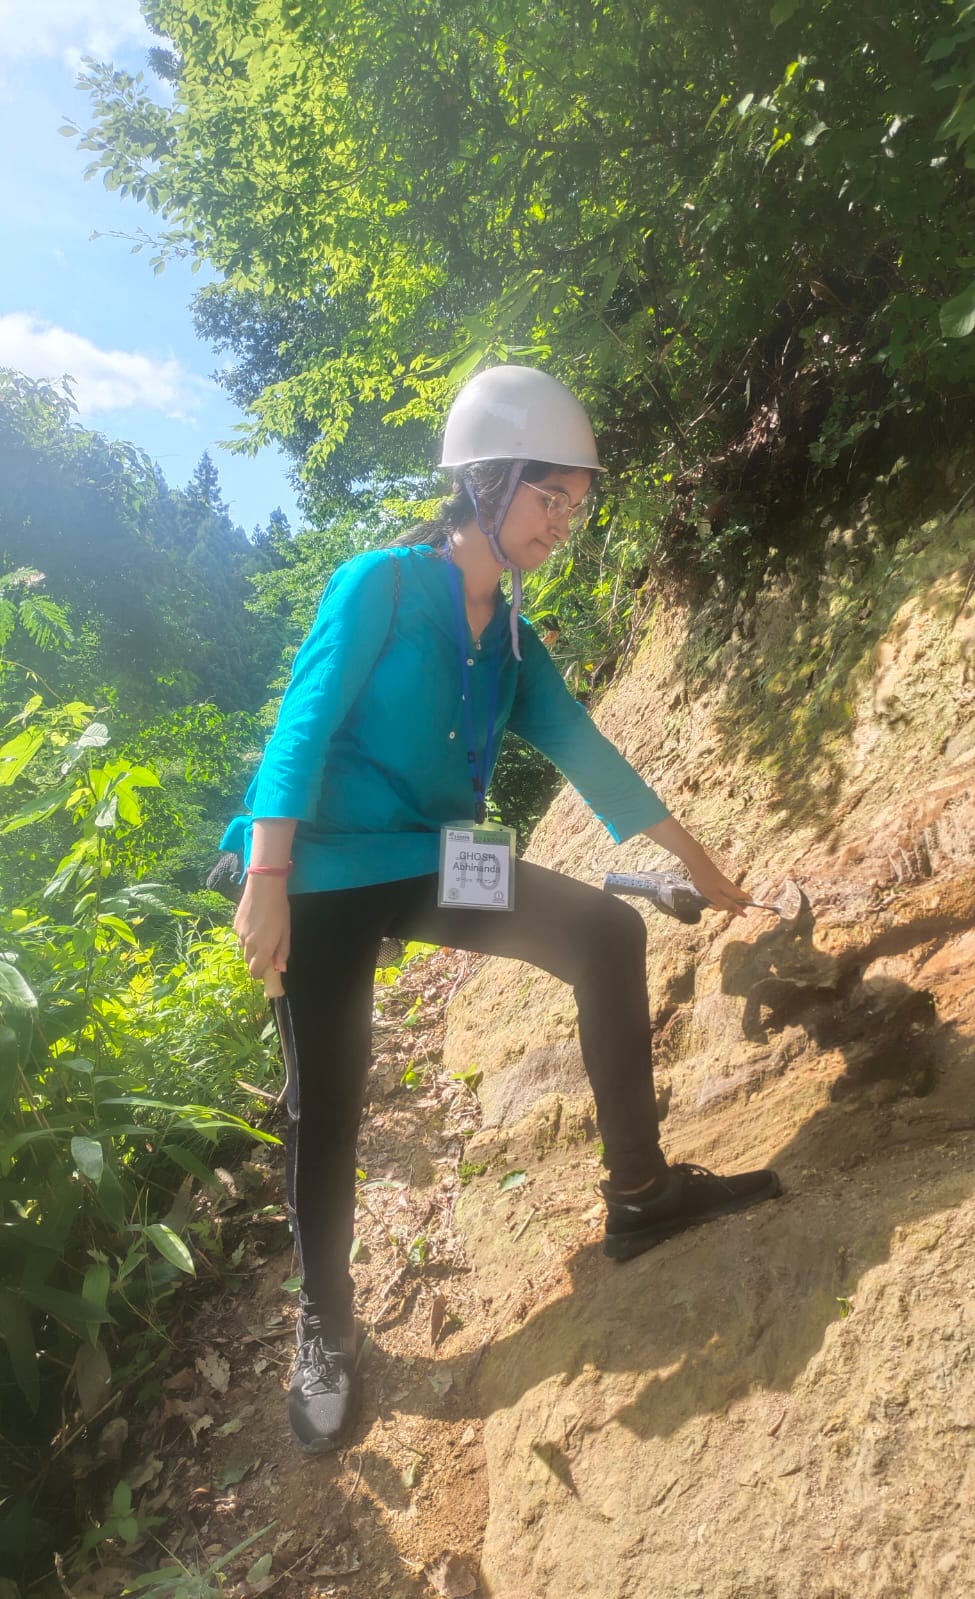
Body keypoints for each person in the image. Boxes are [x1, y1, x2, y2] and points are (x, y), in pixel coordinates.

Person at [225, 366, 781, 1454]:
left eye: (575, 506)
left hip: (435, 859)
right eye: (547, 500)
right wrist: (266, 878)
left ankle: (641, 1192)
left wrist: (700, 860)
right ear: (485, 484)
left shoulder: (514, 643)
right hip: (328, 867)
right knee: (326, 1097)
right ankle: (326, 1322)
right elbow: (300, 726)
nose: (561, 526)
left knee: (605, 929)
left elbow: (587, 750)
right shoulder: (380, 586)